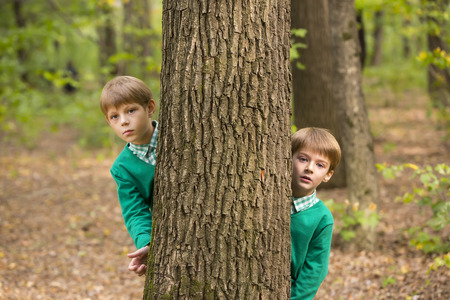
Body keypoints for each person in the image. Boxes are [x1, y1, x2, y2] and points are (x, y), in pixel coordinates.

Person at [100, 76, 157, 276]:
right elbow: (135, 211)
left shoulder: (179, 135)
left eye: (131, 111)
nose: (124, 121)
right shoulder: (122, 168)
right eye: (115, 116)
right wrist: (146, 242)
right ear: (108, 121)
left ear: (150, 108)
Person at [290, 127, 341, 299]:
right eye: (303, 159)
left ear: (328, 175)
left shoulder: (322, 218)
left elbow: (315, 269)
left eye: (320, 165)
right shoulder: (263, 198)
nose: (310, 168)